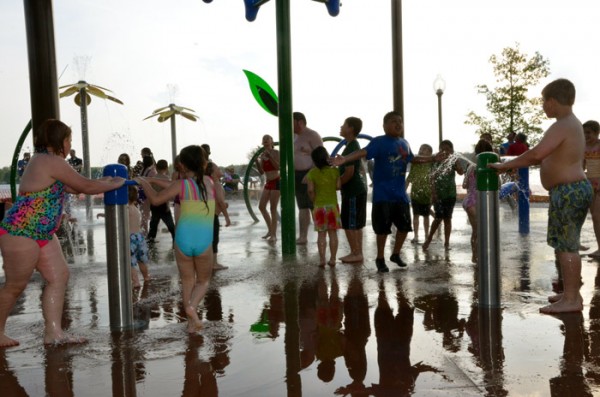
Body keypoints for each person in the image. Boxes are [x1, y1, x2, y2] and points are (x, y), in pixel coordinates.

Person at [0, 119, 125, 347]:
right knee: (15, 286)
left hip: (42, 234)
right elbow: (86, 188)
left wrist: (106, 181)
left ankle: (54, 333)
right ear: (60, 141)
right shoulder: (50, 161)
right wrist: (116, 184)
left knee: (59, 276)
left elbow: (77, 185)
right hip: (21, 232)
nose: (69, 144)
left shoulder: (49, 163)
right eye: (68, 139)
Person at [488, 78, 592, 314]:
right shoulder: (569, 124)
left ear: (553, 102)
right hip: (569, 189)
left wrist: (505, 166)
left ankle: (573, 299)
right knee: (563, 244)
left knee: (567, 246)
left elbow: (536, 154)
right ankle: (569, 293)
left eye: (544, 102)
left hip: (569, 190)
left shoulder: (563, 125)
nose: (543, 107)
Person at [331, 111, 435, 272]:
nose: (398, 124)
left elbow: (412, 159)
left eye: (400, 121)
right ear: (384, 125)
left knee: (404, 227)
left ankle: (395, 254)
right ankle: (380, 257)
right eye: (394, 121)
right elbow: (363, 152)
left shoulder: (404, 142)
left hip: (400, 195)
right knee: (382, 229)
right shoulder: (379, 142)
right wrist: (345, 159)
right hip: (382, 195)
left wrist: (433, 158)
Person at [135, 145, 215, 333]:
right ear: (203, 161)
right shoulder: (209, 182)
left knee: (187, 280)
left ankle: (190, 322)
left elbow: (155, 199)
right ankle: (191, 308)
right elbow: (178, 185)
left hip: (183, 239)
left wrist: (142, 181)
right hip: (203, 240)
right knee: (203, 281)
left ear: (182, 165)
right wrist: (149, 179)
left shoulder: (181, 185)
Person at [422, 140, 465, 251]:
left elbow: (461, 172)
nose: (445, 151)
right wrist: (433, 193)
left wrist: (457, 162)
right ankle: (429, 239)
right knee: (437, 218)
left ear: (452, 150)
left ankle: (446, 243)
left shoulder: (453, 161)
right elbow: (431, 178)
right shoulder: (436, 161)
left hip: (450, 194)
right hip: (438, 194)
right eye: (443, 149)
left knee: (448, 219)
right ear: (439, 150)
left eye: (448, 149)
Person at [338, 117, 367, 263]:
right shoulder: (352, 145)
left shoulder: (351, 147)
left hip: (353, 191)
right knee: (356, 224)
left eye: (344, 125)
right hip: (356, 190)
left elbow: (349, 173)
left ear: (351, 129)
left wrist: (337, 185)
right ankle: (357, 252)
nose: (341, 126)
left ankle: (356, 253)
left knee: (349, 224)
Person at [306, 146, 341, 267]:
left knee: (321, 234)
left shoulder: (312, 173)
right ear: (326, 157)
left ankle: (322, 260)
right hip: (332, 206)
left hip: (319, 207)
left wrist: (314, 201)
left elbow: (310, 190)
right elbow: (338, 186)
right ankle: (332, 259)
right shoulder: (334, 171)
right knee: (333, 234)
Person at [293, 111, 324, 244]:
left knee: (313, 206)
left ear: (300, 122)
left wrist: (311, 174)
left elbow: (322, 156)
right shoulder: (293, 136)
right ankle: (303, 236)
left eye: (291, 122)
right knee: (302, 207)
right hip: (297, 175)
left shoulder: (312, 135)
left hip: (311, 173)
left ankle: (320, 236)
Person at [462, 139, 494, 263]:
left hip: (469, 202)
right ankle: (481, 257)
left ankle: (474, 256)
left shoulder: (471, 167)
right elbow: (499, 186)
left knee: (476, 231)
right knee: (483, 231)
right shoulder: (491, 167)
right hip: (481, 202)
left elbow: (464, 185)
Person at [206, 161, 231, 271]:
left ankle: (208, 262)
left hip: (207, 216)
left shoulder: (209, 184)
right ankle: (213, 263)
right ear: (212, 174)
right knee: (214, 240)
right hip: (213, 216)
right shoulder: (217, 185)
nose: (220, 169)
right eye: (218, 169)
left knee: (209, 240)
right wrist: (227, 217)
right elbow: (220, 201)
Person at [406, 144, 433, 244]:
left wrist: (433, 194)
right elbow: (409, 177)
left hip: (427, 194)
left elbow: (432, 179)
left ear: (430, 153)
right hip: (415, 193)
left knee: (426, 216)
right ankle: (416, 236)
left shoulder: (430, 164)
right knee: (415, 215)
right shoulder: (415, 163)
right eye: (420, 149)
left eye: (424, 150)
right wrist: (403, 190)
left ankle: (427, 235)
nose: (421, 151)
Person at [256, 134, 280, 242]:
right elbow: (261, 172)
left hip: (277, 181)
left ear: (272, 141)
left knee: (273, 209)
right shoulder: (262, 155)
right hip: (268, 182)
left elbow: (278, 167)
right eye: (263, 139)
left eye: (267, 138)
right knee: (261, 206)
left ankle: (274, 235)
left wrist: (269, 157)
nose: (265, 140)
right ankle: (270, 230)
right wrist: (257, 161)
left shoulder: (276, 152)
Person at [147, 159, 176, 245]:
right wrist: (167, 205)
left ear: (156, 167)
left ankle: (150, 239)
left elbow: (151, 191)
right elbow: (167, 194)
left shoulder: (153, 178)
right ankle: (175, 238)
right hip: (163, 204)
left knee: (154, 223)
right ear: (166, 168)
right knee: (170, 224)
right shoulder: (166, 179)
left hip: (154, 204)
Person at [583, 120, 600, 257]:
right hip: (589, 185)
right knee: (595, 218)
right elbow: (581, 168)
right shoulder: (583, 148)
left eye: (588, 132)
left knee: (596, 216)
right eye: (583, 133)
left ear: (596, 132)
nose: (585, 135)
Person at [138, 154, 157, 235]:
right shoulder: (152, 171)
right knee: (146, 215)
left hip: (141, 194)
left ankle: (143, 231)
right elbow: (154, 183)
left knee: (143, 214)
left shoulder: (142, 170)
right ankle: (145, 233)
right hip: (148, 194)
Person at [171, 155, 184, 223]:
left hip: (187, 200)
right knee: (178, 222)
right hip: (178, 201)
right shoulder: (176, 174)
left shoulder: (188, 174)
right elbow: (171, 187)